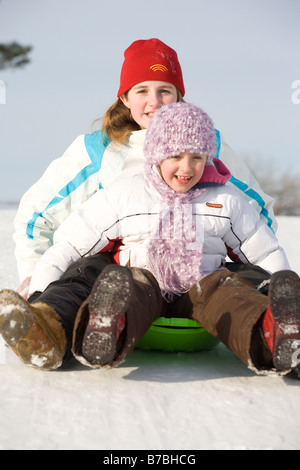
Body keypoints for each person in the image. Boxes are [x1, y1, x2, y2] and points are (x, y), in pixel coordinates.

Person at [1, 102, 299, 379]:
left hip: (204, 284)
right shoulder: (126, 194)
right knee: (122, 284)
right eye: (176, 156)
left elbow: (264, 252)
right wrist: (40, 296)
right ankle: (99, 329)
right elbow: (69, 245)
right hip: (144, 283)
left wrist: (278, 290)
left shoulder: (225, 199)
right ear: (156, 154)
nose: (187, 168)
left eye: (197, 157)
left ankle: (276, 335)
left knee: (230, 292)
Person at [13, 38, 277, 300]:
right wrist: (37, 279)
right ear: (125, 97)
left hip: (197, 283)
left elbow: (258, 212)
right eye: (142, 91)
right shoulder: (99, 150)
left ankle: (276, 313)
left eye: (165, 90)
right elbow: (36, 217)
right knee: (86, 271)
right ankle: (50, 315)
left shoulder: (208, 145)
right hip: (117, 286)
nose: (155, 102)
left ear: (178, 96)